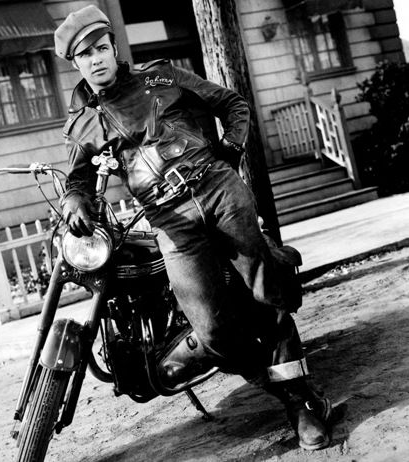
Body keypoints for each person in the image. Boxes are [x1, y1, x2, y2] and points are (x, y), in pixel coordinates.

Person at [54, 5, 331, 450]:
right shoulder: (86, 121)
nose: (97, 59)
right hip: (169, 220)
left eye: (102, 48)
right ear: (76, 64)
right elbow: (79, 176)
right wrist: (74, 198)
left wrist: (231, 150)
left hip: (218, 189)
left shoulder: (162, 77)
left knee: (266, 293)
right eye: (86, 56)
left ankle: (301, 404)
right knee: (211, 329)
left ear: (113, 48)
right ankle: (282, 385)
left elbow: (233, 103)